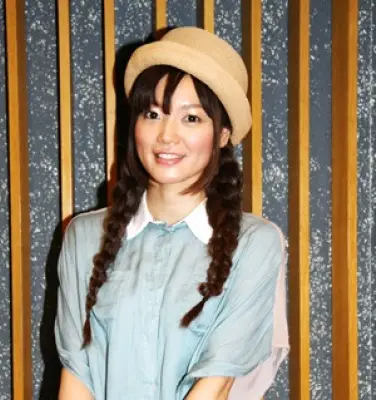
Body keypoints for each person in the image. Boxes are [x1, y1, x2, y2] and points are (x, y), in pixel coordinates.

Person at [54, 26, 289, 400]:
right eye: (152, 114)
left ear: (223, 134)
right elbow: (76, 376)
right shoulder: (83, 236)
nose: (166, 136)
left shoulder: (255, 243)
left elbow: (216, 386)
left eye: (191, 118)